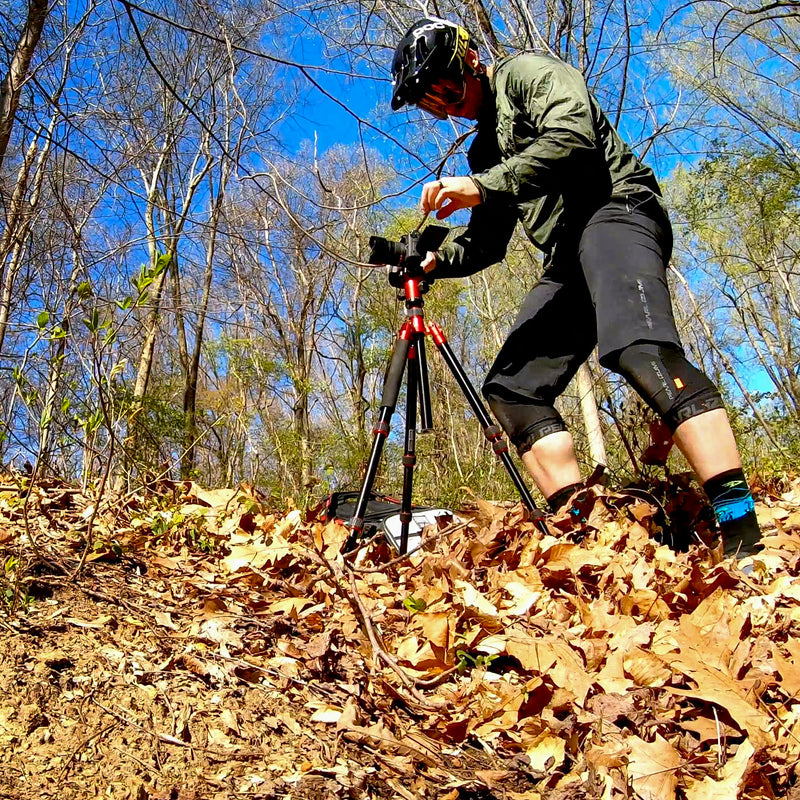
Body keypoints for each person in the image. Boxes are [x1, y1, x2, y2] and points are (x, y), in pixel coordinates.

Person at [389, 17, 761, 558]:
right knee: (511, 389)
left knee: (638, 349)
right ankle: (590, 537)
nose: (445, 107)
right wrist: (432, 260)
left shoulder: (526, 74)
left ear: (468, 59)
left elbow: (573, 137)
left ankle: (741, 531)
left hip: (615, 207)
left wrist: (481, 186)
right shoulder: (481, 154)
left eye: (444, 89)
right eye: (430, 104)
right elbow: (486, 245)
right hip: (567, 253)